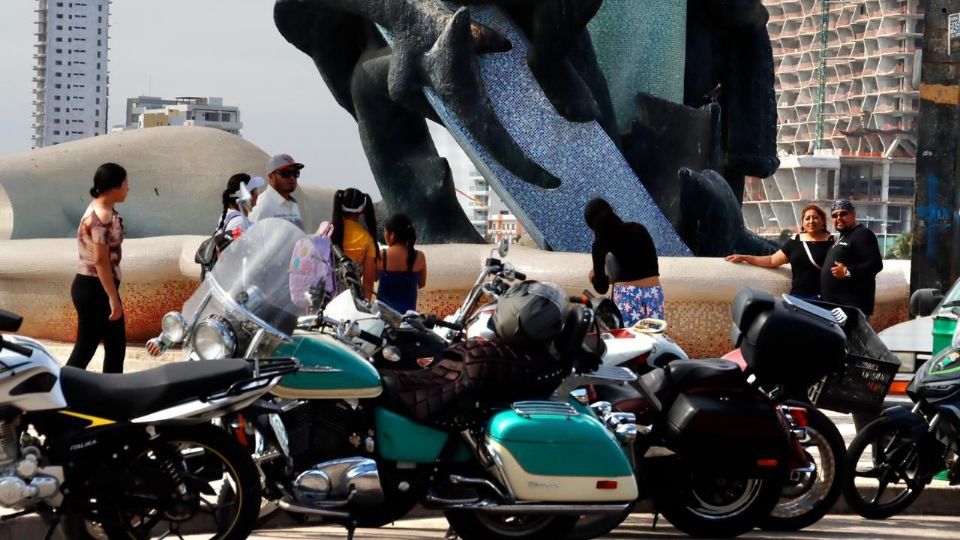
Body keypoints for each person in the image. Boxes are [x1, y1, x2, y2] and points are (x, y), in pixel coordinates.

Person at [67, 162, 129, 373]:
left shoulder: (101, 208)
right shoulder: (101, 218)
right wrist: (113, 298)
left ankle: (111, 390)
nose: (128, 188)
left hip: (94, 287)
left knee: (115, 347)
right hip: (95, 289)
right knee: (85, 349)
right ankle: (61, 387)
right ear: (113, 187)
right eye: (125, 184)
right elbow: (100, 260)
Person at [725, 204, 834, 299]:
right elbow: (772, 260)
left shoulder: (833, 242)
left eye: (815, 218)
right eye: (807, 218)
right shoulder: (795, 242)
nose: (811, 221)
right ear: (802, 222)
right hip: (798, 297)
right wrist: (745, 258)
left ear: (822, 221)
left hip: (824, 297)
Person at [584, 197, 664, 324]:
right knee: (655, 336)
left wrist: (592, 276)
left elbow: (602, 288)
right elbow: (653, 263)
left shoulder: (599, 245)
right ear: (611, 210)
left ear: (591, 225)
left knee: (628, 336)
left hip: (627, 297)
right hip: (653, 292)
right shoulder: (639, 229)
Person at [821, 199, 883, 318]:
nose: (839, 218)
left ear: (853, 214)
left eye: (843, 214)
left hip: (851, 308)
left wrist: (848, 271)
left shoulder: (862, 234)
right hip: (836, 309)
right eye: (834, 215)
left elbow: (875, 264)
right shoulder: (843, 236)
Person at [332, 188, 378, 299]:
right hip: (350, 299)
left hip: (324, 297)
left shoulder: (326, 230)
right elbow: (368, 281)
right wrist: (366, 304)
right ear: (362, 210)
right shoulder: (367, 239)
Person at [377, 213, 427, 313]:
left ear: (392, 235)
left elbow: (373, 278)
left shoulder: (382, 255)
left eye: (385, 231)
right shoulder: (419, 256)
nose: (384, 235)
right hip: (407, 317)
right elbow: (421, 283)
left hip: (384, 317)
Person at [250, 154, 305, 230]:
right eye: (286, 173)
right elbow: (253, 235)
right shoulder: (263, 205)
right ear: (271, 176)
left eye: (295, 173)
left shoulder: (293, 204)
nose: (292, 178)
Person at [216, 174, 266, 238]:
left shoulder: (229, 215)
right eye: (255, 190)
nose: (257, 194)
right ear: (247, 195)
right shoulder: (239, 222)